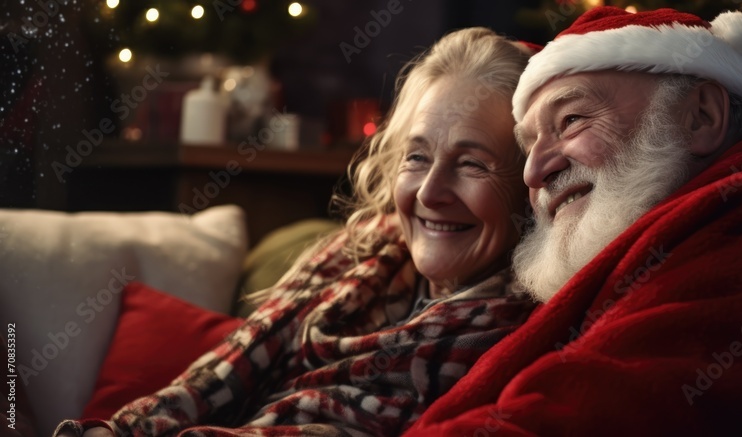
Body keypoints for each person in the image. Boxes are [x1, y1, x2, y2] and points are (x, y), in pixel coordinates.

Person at [405, 7, 742, 436]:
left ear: (702, 116)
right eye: (529, 144)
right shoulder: (679, 235)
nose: (535, 170)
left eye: (572, 121)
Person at [54, 27, 538, 437]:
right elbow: (208, 381)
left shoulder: (521, 341)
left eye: (472, 163)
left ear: (529, 187)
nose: (430, 193)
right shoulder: (354, 256)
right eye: (417, 156)